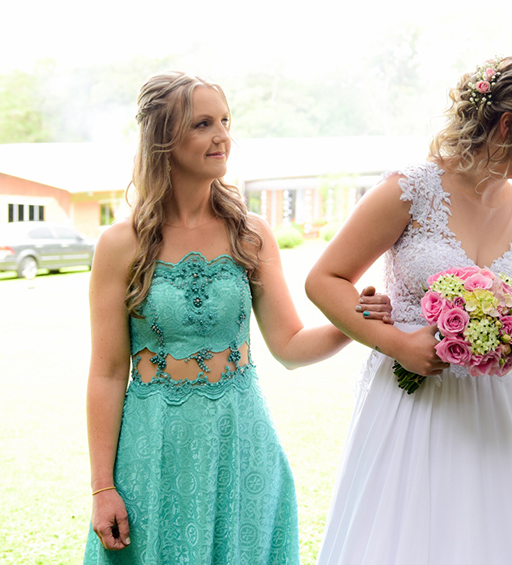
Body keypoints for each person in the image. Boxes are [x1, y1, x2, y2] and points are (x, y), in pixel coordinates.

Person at [83, 71, 389, 564]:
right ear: (163, 137)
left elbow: (289, 346)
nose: (223, 135)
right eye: (203, 123)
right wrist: (102, 487)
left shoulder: (251, 234)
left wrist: (354, 322)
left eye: (225, 121)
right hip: (154, 450)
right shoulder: (120, 244)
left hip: (241, 444)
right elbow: (108, 371)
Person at [306, 54, 512, 565]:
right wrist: (400, 344)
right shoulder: (410, 190)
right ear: (507, 125)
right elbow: (324, 280)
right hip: (410, 408)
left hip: (494, 414)